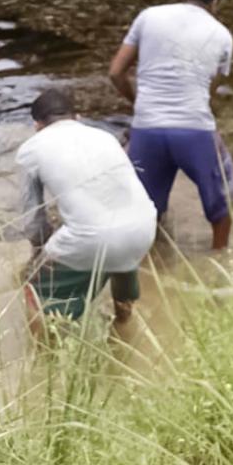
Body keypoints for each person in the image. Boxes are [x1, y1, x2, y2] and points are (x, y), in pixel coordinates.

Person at [16, 88, 157, 335]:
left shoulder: (31, 150)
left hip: (93, 238)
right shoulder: (106, 137)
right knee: (120, 258)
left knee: (36, 293)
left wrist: (40, 257)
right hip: (144, 227)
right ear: (77, 117)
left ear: (37, 125)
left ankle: (48, 353)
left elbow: (33, 219)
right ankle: (124, 329)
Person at [109, 0, 233, 249]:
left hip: (147, 129)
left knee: (145, 209)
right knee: (221, 202)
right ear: (215, 3)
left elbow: (116, 73)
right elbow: (208, 91)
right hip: (194, 131)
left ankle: (149, 265)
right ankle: (221, 259)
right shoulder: (223, 35)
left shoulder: (148, 17)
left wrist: (139, 104)